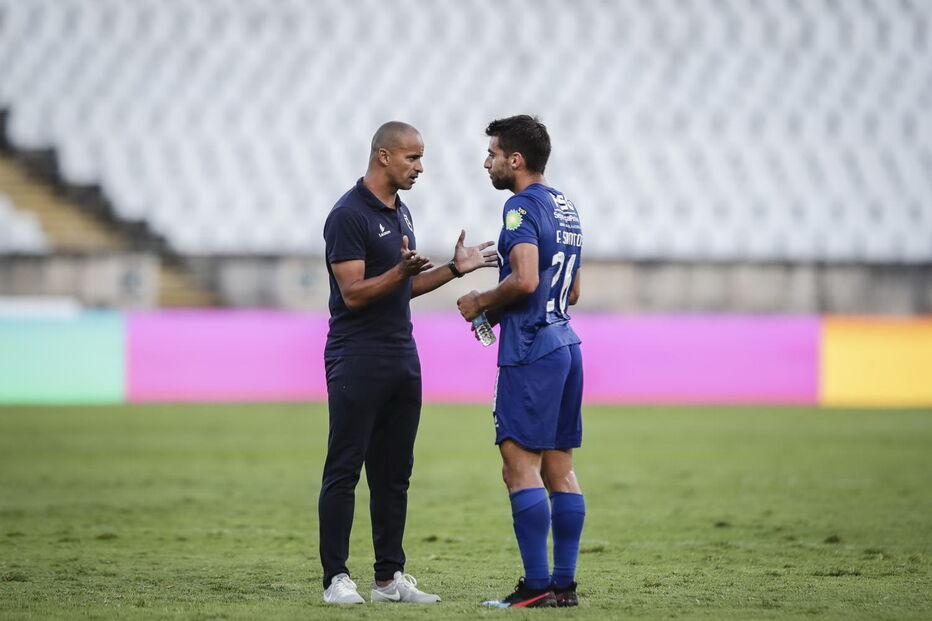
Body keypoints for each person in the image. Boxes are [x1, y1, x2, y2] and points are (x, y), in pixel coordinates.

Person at [319, 121, 497, 605]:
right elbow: (353, 294)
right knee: (344, 468)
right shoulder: (348, 215)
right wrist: (398, 270)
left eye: (420, 158)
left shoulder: (403, 212)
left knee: (395, 472)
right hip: (357, 355)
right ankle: (336, 579)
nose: (419, 167)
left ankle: (387, 579)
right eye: (412, 158)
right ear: (383, 156)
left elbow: (405, 286)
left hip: (402, 353)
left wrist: (455, 269)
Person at [457, 115, 585, 609]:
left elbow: (527, 280)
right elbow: (572, 289)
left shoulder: (519, 207)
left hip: (532, 348)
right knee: (560, 469)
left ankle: (534, 588)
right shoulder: (566, 207)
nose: (486, 162)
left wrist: (482, 302)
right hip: (567, 343)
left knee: (518, 467)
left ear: (515, 160)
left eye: (492, 153)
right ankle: (563, 587)